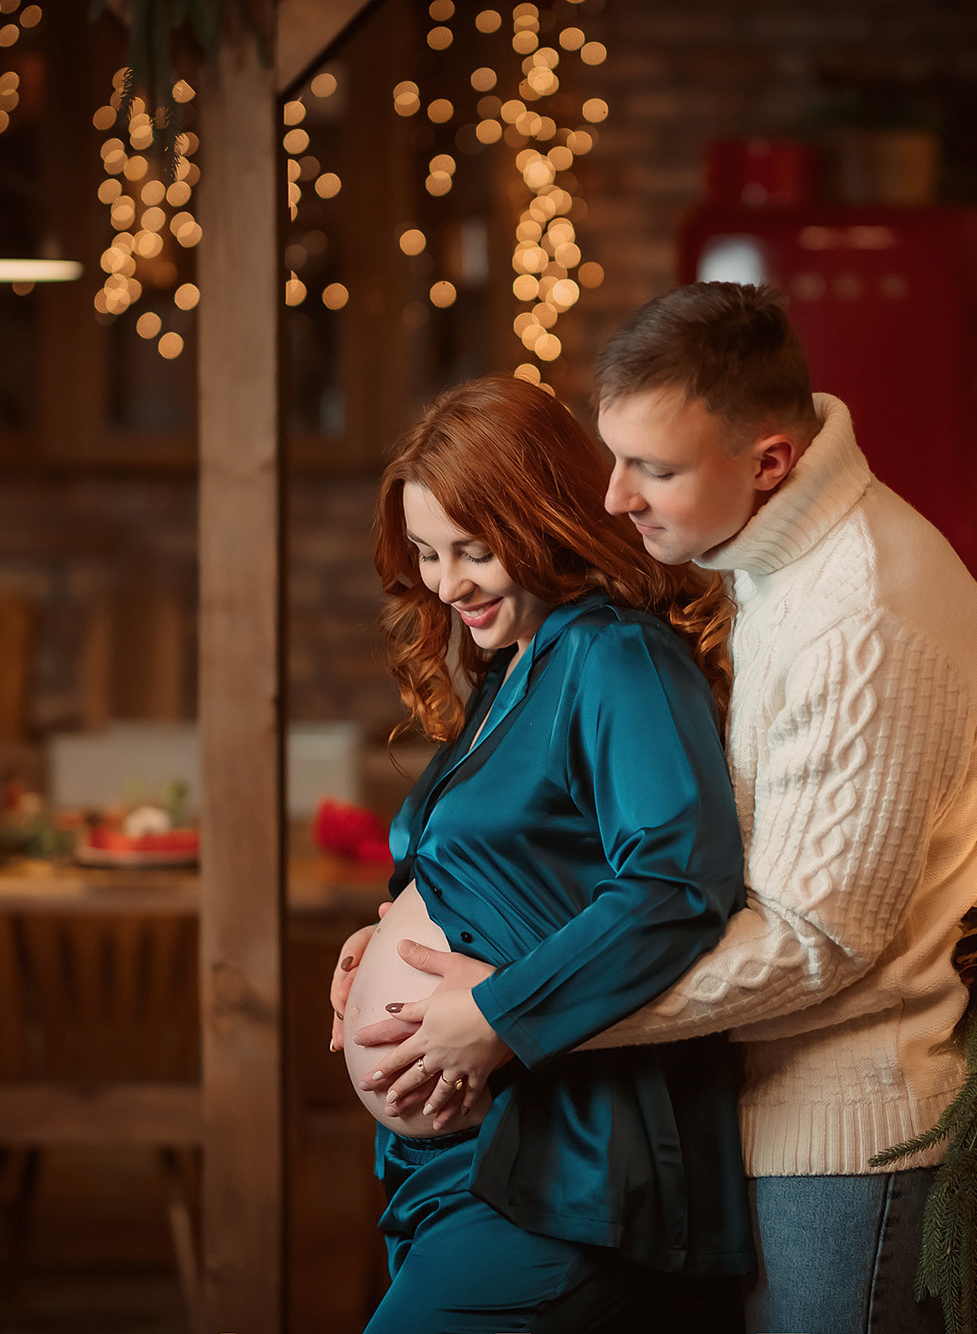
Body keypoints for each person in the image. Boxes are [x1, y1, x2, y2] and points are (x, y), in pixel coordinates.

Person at [346, 283, 977, 1334]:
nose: (612, 496)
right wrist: (416, 947)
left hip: (837, 1131)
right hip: (736, 1106)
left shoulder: (861, 616)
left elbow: (811, 936)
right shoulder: (753, 567)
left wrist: (508, 1011)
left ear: (768, 461)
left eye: (649, 468)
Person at [342, 373, 752, 1333]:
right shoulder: (509, 671)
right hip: (464, 1164)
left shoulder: (616, 655)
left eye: (474, 551)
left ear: (547, 518)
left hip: (565, 1161)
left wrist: (492, 1014)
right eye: (430, 554)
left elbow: (678, 884)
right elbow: (510, 872)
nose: (447, 586)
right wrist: (380, 938)